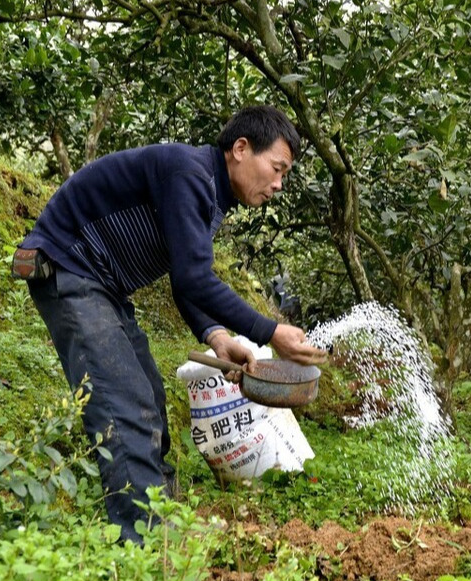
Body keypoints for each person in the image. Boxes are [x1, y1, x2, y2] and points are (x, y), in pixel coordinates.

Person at [16, 105, 326, 543]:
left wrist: (217, 337)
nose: (278, 184)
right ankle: (142, 540)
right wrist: (271, 332)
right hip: (70, 269)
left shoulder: (209, 193)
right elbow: (194, 278)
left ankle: (162, 516)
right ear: (240, 148)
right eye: (276, 169)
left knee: (150, 395)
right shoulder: (189, 174)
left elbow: (188, 282)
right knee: (124, 404)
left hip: (103, 286)